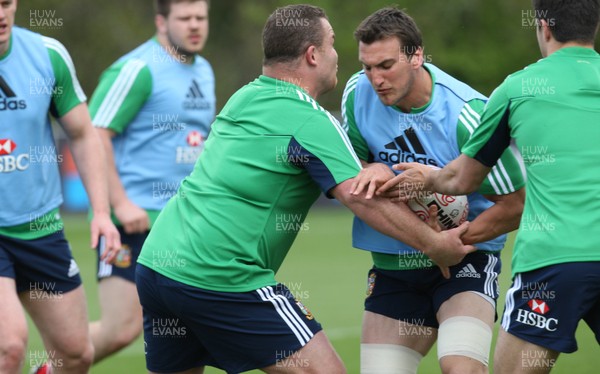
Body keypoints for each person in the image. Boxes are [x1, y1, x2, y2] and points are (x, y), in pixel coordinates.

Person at [134, 4, 477, 373]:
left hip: (158, 266)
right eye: (331, 44)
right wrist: (434, 244)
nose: (337, 55)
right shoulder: (312, 121)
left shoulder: (244, 97)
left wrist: (372, 166)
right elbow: (363, 200)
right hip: (221, 274)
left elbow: (330, 168)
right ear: (313, 55)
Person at [382, 1, 600, 373]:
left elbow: (462, 180)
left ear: (543, 27)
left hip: (552, 260)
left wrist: (427, 176)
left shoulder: (517, 89)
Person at [342, 7, 525, 374]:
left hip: (465, 264)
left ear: (417, 56)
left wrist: (451, 243)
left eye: (386, 65)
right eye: (367, 67)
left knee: (461, 367)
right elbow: (349, 174)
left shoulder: (468, 114)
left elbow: (517, 205)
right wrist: (371, 167)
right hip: (393, 267)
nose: (375, 79)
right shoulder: (356, 93)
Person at [86, 0, 215, 364]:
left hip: (184, 225)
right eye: (185, 18)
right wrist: (121, 203)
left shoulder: (204, 70)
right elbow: (94, 135)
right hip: (134, 224)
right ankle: (48, 367)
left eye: (200, 18)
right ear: (161, 21)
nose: (195, 25)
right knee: (120, 329)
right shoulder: (137, 69)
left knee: (187, 330)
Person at [0, 0, 121, 373]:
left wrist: (101, 212)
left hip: (40, 228)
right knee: (10, 345)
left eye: (5, 3)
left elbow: (83, 135)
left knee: (75, 353)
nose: (0, 14)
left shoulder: (47, 55)